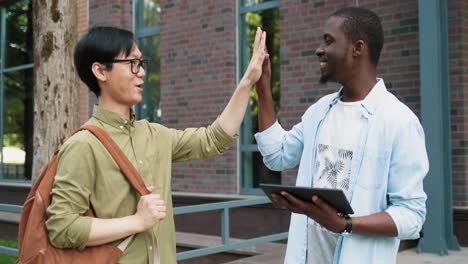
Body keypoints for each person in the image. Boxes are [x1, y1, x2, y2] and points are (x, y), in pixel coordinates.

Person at [45, 26, 267, 264]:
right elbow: (62, 227)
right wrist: (137, 222)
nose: (140, 72)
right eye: (132, 63)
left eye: (142, 63)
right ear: (100, 71)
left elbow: (213, 139)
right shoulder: (83, 145)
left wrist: (247, 82)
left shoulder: (155, 134)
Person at [254, 6, 428, 264]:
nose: (319, 49)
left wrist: (344, 223)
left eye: (328, 40)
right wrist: (262, 87)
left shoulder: (399, 122)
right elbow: (277, 155)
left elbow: (412, 216)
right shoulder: (319, 111)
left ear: (357, 48)